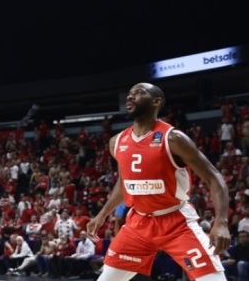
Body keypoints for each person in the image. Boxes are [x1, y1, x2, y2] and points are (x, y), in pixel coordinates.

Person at [85, 83, 230, 281]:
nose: (130, 97)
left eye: (138, 93)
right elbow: (124, 182)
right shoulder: (116, 142)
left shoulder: (174, 139)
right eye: (129, 94)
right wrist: (102, 214)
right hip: (138, 223)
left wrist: (221, 222)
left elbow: (214, 178)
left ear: (156, 102)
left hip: (176, 221)